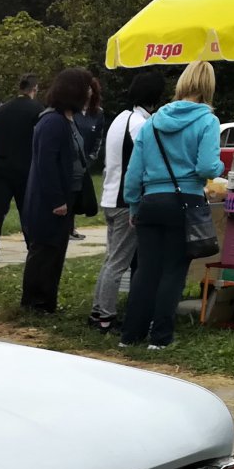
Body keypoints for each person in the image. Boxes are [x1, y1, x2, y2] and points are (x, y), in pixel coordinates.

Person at [119, 60, 224, 350]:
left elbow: (133, 173)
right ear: (208, 87)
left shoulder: (152, 122)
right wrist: (220, 164)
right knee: (174, 270)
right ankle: (160, 337)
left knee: (146, 270)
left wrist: (133, 206)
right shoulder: (207, 121)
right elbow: (207, 167)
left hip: (150, 200)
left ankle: (130, 335)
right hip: (185, 201)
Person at [88, 70, 165, 333]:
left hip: (110, 196)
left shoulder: (121, 118)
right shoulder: (141, 124)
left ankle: (98, 310)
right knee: (119, 262)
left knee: (111, 258)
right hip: (125, 201)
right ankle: (106, 318)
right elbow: (144, 164)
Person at [19, 68, 93, 314]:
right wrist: (56, 199)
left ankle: (47, 300)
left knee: (55, 251)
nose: (90, 92)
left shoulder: (67, 119)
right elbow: (46, 163)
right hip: (49, 201)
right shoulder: (52, 121)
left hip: (65, 195)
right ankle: (35, 303)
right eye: (86, 87)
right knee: (45, 250)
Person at [0, 74, 43, 262]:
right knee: (27, 208)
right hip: (26, 167)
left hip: (1, 165)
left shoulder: (1, 110)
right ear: (35, 88)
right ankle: (32, 246)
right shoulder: (37, 109)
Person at [70, 76, 104, 240]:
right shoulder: (71, 111)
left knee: (82, 194)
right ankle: (69, 226)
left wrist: (92, 156)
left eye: (89, 88)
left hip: (87, 159)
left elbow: (98, 136)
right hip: (71, 159)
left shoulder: (98, 113)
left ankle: (72, 226)